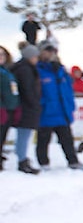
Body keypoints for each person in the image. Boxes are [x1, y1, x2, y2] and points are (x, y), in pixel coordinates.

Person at [35, 41, 83, 171]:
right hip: (46, 112)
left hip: (62, 111)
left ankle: (73, 161)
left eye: (53, 51)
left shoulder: (61, 70)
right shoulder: (38, 70)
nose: (51, 53)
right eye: (47, 50)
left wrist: (69, 106)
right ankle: (43, 163)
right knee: (43, 140)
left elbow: (67, 90)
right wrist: (42, 105)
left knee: (67, 139)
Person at [10, 44, 42, 174]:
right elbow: (28, 89)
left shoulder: (22, 68)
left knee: (23, 134)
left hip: (23, 106)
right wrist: (34, 103)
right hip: (26, 108)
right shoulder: (25, 70)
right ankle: (22, 160)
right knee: (24, 133)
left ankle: (22, 157)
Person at [0, 46, 20, 171]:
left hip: (10, 108)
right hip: (2, 109)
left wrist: (16, 106)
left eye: (2, 54)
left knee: (3, 136)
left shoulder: (7, 72)